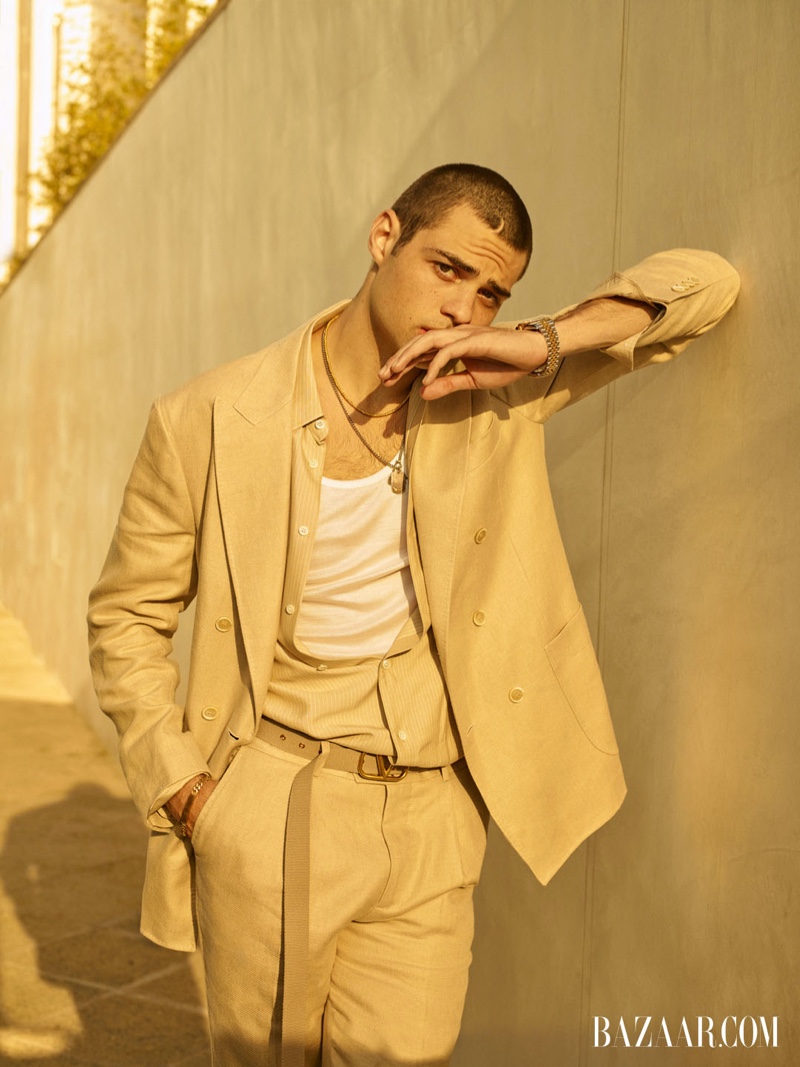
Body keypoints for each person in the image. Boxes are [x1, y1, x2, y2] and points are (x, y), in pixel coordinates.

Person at [87, 163, 740, 1066]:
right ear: (384, 235)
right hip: (276, 801)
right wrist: (183, 784)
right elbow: (127, 615)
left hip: (435, 810)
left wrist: (536, 338)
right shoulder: (207, 417)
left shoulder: (494, 388)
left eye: (491, 291)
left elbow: (706, 286)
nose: (463, 309)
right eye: (446, 270)